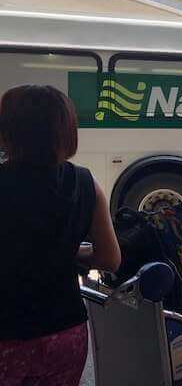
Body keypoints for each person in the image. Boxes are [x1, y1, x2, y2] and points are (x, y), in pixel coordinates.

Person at [0, 84, 121, 386]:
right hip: (65, 333)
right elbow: (110, 259)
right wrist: (72, 252)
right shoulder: (85, 182)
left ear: (8, 132)